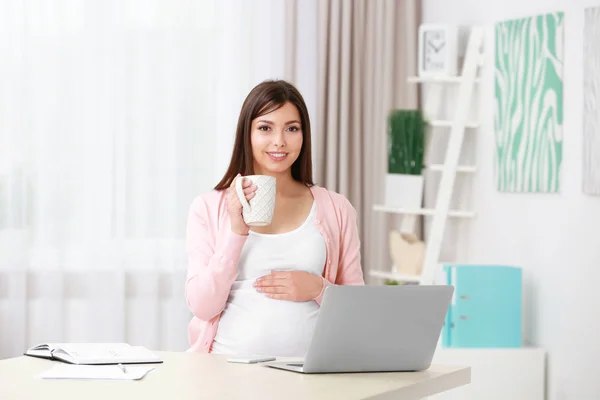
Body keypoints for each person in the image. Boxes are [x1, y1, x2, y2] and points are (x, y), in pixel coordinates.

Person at [184, 79, 364, 357]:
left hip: (313, 378)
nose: (279, 141)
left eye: (292, 129)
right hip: (227, 373)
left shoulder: (337, 209)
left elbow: (358, 308)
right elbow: (203, 306)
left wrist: (319, 288)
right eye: (265, 128)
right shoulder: (208, 207)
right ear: (247, 134)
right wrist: (235, 231)